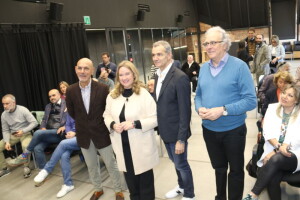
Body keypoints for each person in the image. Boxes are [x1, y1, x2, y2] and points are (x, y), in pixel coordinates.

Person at [195, 26, 257, 200]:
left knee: (236, 170)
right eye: (206, 43)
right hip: (209, 130)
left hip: (233, 131)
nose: (208, 46)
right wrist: (198, 107)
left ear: (225, 45)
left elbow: (250, 100)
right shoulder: (203, 68)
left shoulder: (239, 67)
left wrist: (223, 110)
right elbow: (198, 95)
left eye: (213, 42)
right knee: (219, 168)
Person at [66, 58, 124, 200]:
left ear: (92, 70)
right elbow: (73, 113)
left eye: (86, 68)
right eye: (80, 68)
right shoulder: (70, 90)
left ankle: (118, 190)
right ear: (75, 69)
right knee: (91, 165)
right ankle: (98, 189)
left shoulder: (103, 89)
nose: (83, 71)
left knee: (111, 164)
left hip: (101, 133)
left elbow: (108, 111)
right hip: (84, 135)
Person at [103, 60, 159, 200]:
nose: (124, 77)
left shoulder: (143, 94)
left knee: (146, 190)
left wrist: (134, 124)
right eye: (121, 75)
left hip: (142, 148)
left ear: (134, 74)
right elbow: (106, 115)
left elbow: (155, 118)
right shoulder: (112, 95)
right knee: (132, 189)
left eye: (127, 73)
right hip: (123, 148)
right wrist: (112, 125)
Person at [153, 40, 195, 200]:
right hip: (166, 131)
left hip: (177, 133)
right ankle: (182, 186)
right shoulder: (158, 75)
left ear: (169, 55)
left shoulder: (179, 77)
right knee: (176, 163)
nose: (156, 58)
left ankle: (190, 194)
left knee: (182, 164)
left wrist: (181, 139)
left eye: (159, 54)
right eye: (153, 55)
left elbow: (185, 112)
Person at [243, 84, 300, 200]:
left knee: (276, 159)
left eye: (290, 95)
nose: (284, 97)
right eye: (284, 93)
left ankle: (254, 194)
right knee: (273, 176)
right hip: (273, 152)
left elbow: (296, 138)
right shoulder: (272, 108)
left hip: (293, 155)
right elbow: (267, 132)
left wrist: (276, 151)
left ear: (297, 100)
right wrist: (277, 148)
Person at [8, 89, 67, 169]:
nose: (51, 98)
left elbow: (74, 117)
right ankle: (44, 171)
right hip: (48, 133)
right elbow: (44, 120)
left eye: (53, 95)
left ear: (59, 95)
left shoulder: (67, 103)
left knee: (37, 133)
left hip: (60, 132)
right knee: (37, 148)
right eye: (50, 96)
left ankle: (24, 155)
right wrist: (43, 127)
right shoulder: (48, 106)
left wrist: (65, 126)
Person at [33, 113, 80, 198]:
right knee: (64, 156)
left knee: (62, 143)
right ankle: (68, 184)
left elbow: (86, 124)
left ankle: (47, 169)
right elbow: (67, 124)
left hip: (83, 137)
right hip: (71, 138)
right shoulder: (70, 111)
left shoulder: (82, 108)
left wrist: (75, 132)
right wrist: (69, 132)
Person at [0, 94, 38, 178]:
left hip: (25, 133)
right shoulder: (4, 115)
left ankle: (26, 166)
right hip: (13, 135)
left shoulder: (23, 110)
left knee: (25, 146)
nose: (5, 106)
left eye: (7, 103)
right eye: (3, 104)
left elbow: (34, 122)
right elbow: (5, 130)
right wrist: (6, 142)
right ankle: (4, 168)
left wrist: (23, 131)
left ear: (13, 103)